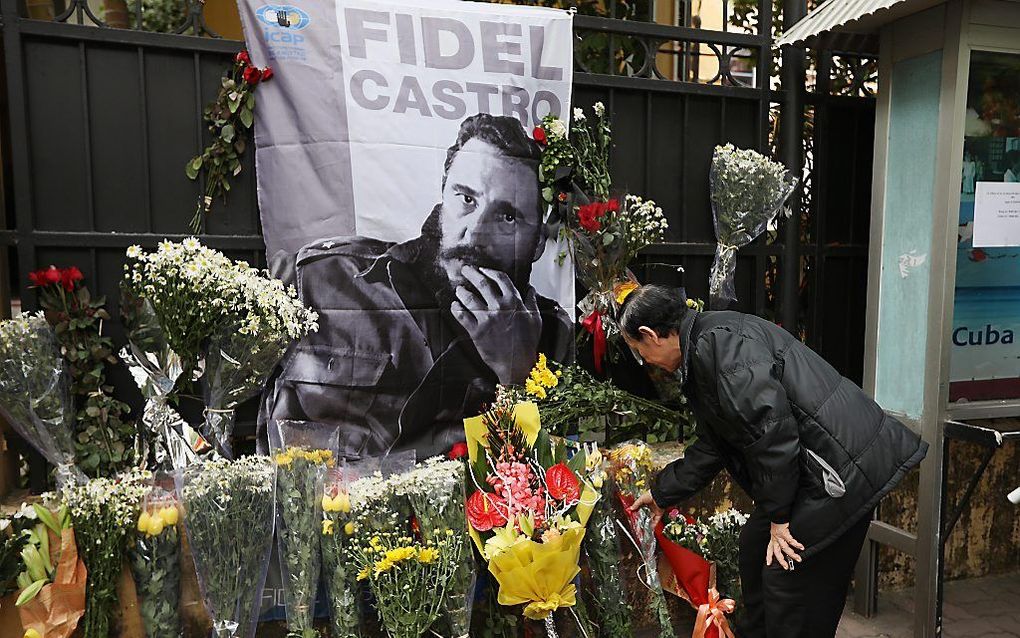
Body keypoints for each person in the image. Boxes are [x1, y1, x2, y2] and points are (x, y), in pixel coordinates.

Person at [623, 285, 927, 638]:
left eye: (638, 351)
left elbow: (772, 434)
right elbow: (716, 441)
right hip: (814, 466)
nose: (644, 361)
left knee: (787, 572)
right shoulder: (707, 343)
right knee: (755, 548)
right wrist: (664, 493)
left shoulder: (720, 348)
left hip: (840, 468)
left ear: (650, 335)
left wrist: (780, 518)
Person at [262, 114, 571, 458]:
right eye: (466, 199)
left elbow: (552, 473)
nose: (475, 234)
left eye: (507, 217)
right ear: (443, 194)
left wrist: (516, 370)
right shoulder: (325, 277)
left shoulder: (552, 335)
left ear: (538, 243)